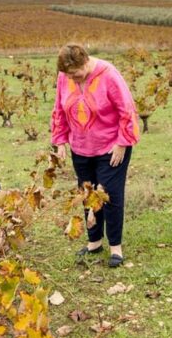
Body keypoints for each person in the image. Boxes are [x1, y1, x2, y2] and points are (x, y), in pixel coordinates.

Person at [51, 44, 140, 268]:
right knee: (87, 192)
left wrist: (122, 143)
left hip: (111, 146)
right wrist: (60, 140)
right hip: (80, 147)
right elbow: (59, 109)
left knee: (109, 195)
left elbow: (127, 109)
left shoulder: (108, 74)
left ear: (85, 61)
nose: (72, 79)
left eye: (75, 73)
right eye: (69, 75)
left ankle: (115, 247)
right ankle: (94, 242)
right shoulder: (65, 77)